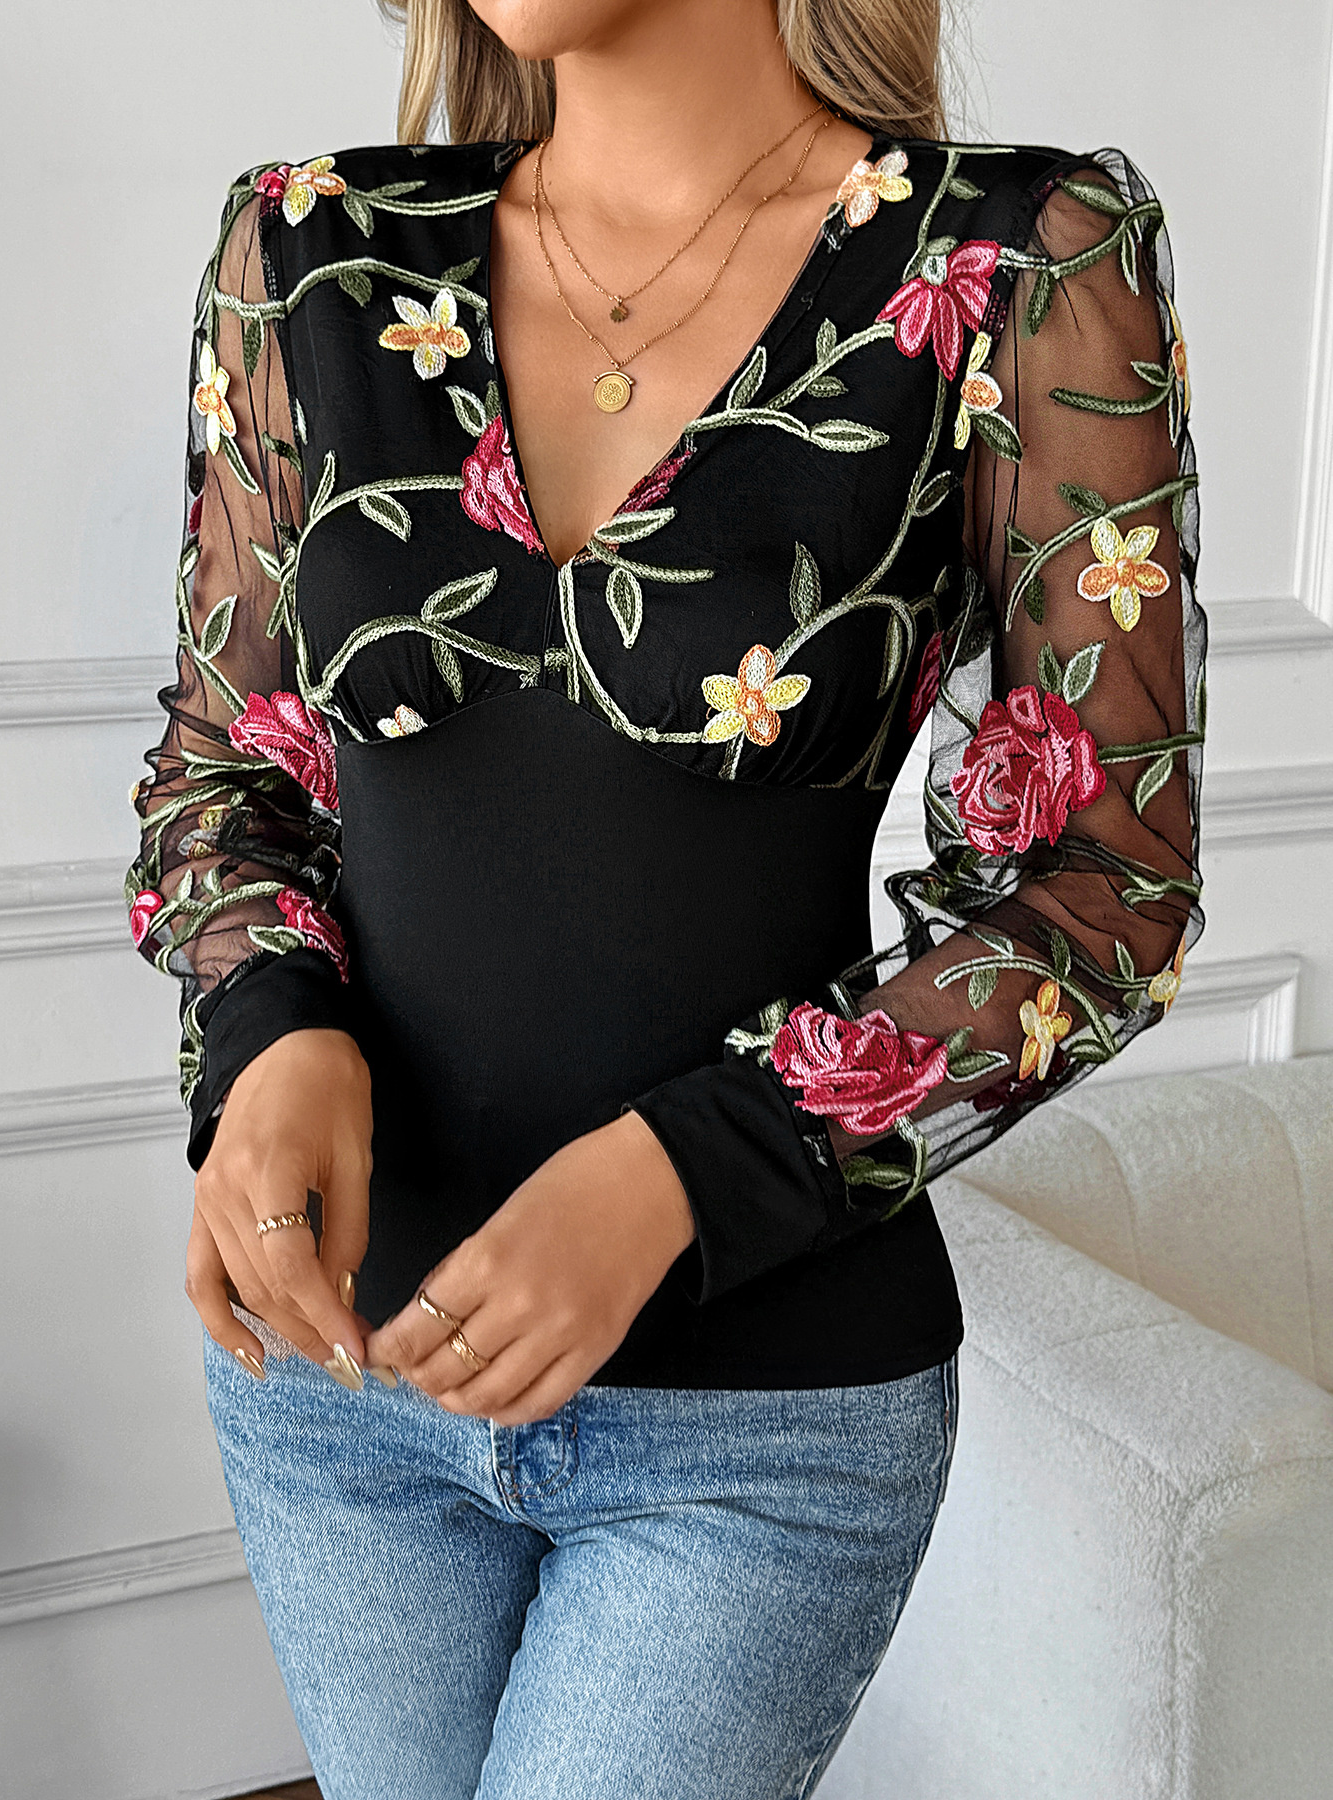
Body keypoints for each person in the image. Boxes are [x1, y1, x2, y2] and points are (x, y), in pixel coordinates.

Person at [125, 0, 1206, 1793]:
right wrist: (269, 1041)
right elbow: (222, 773)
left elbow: (1102, 888)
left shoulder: (1016, 260)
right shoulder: (309, 247)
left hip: (759, 1419)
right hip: (337, 1391)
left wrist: (682, 1172)